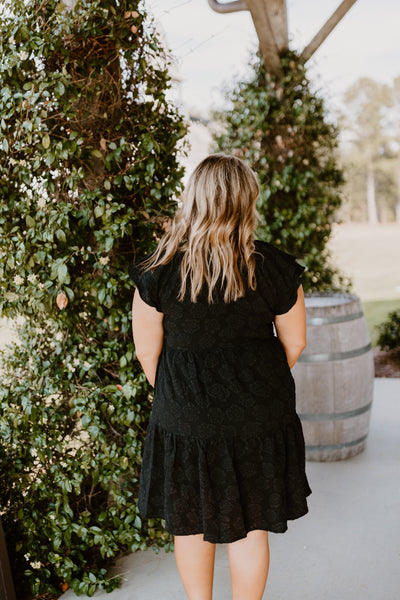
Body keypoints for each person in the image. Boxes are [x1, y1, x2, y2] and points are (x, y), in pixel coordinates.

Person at [128, 153, 311, 600]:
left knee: (190, 524)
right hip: (259, 416)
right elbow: (296, 343)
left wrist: (181, 395)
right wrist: (256, 382)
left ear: (194, 200)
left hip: (185, 416)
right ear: (246, 201)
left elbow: (147, 352)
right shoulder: (274, 267)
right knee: (252, 526)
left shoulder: (158, 271)